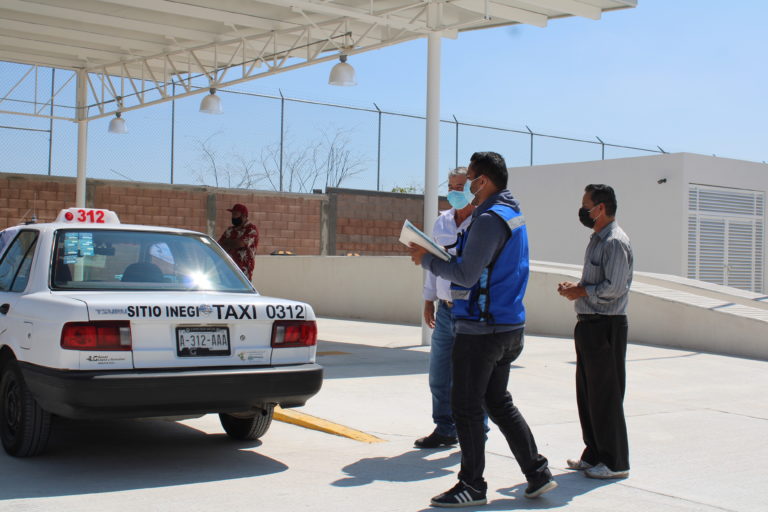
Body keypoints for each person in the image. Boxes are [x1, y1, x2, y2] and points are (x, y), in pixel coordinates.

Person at [410, 152, 556, 508]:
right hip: (506, 326)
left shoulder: (489, 219)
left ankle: (472, 484)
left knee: (466, 406)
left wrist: (426, 259)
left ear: (484, 181)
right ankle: (537, 473)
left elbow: (466, 275)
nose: (466, 188)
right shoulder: (512, 214)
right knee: (497, 402)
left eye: (471, 179)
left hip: (482, 329)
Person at [557, 184, 633, 480]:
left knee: (606, 396)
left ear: (600, 208)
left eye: (586, 205)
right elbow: (596, 281)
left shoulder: (614, 241)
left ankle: (615, 462)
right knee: (588, 395)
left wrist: (582, 291)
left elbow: (614, 288)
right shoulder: (597, 240)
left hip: (606, 326)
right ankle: (595, 454)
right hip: (589, 325)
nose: (583, 210)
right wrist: (576, 288)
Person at [415, 167, 475, 449]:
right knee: (439, 375)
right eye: (451, 186)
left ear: (472, 188)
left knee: (470, 379)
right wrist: (429, 300)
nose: (454, 192)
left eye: (460, 186)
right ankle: (444, 428)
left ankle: (475, 434)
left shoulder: (481, 223)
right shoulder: (442, 222)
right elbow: (432, 265)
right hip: (446, 309)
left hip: (469, 310)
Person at [218, 203, 259, 280]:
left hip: (243, 273)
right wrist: (232, 242)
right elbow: (219, 245)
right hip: (227, 271)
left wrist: (227, 242)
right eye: (232, 214)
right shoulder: (230, 230)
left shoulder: (251, 230)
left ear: (243, 216)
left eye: (235, 214)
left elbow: (239, 244)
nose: (233, 217)